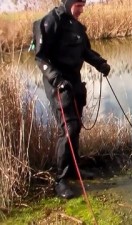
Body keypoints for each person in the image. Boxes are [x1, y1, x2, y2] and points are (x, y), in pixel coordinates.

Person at [34, 0, 111, 199]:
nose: (82, 10)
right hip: (58, 84)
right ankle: (60, 181)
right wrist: (56, 79)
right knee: (68, 129)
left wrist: (100, 63)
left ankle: (76, 172)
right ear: (69, 3)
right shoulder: (52, 21)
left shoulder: (76, 26)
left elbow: (85, 51)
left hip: (75, 82)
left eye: (83, 5)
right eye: (79, 5)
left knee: (76, 127)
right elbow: (40, 57)